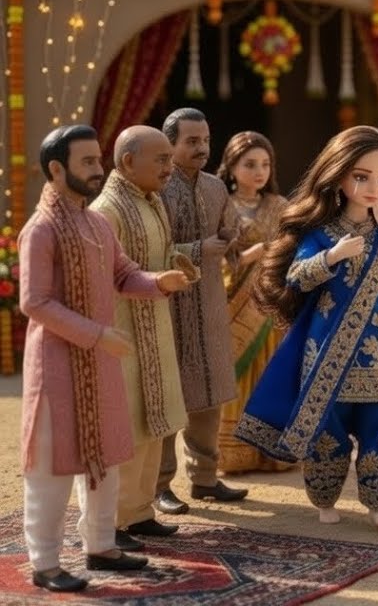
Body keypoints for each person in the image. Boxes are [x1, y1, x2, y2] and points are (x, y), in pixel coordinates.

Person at [20, 125, 191, 592]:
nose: (99, 170)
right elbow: (34, 303)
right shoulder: (40, 230)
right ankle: (46, 562)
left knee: (107, 458)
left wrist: (159, 282)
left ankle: (100, 545)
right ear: (56, 169)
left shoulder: (95, 225)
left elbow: (123, 274)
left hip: (100, 361)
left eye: (99, 161)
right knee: (53, 468)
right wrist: (96, 335)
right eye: (88, 162)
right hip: (57, 365)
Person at [236, 125, 378, 528]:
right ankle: (325, 500)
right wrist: (332, 257)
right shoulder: (322, 234)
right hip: (326, 351)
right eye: (362, 176)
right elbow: (297, 277)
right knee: (327, 428)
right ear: (339, 177)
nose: (373, 187)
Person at [90, 126, 196, 550]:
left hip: (155, 325)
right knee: (127, 429)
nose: (170, 167)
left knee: (153, 426)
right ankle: (111, 521)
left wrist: (176, 262)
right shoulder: (106, 210)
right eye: (162, 160)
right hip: (124, 332)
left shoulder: (150, 200)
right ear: (128, 162)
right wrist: (155, 278)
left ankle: (138, 513)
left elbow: (156, 253)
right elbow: (103, 279)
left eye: (170, 158)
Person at [156, 108, 247, 515]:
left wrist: (231, 240)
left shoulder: (215, 187)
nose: (201, 148)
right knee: (170, 398)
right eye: (191, 141)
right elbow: (145, 252)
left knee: (209, 398)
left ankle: (205, 480)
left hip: (209, 306)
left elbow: (229, 232)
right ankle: (160, 486)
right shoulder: (155, 189)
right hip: (168, 309)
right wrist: (196, 250)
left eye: (205, 140)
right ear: (170, 144)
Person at [214, 131, 292, 475]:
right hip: (232, 308)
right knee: (237, 376)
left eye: (265, 164)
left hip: (271, 306)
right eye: (249, 164)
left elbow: (295, 250)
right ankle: (234, 454)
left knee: (270, 375)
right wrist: (249, 256)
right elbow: (212, 258)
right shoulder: (219, 206)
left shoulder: (280, 206)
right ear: (231, 167)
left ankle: (270, 452)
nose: (259, 171)